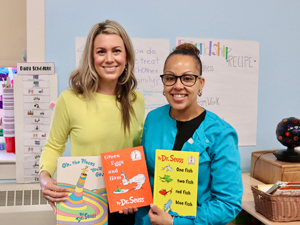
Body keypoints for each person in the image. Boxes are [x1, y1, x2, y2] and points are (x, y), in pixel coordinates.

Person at [39, 20, 144, 224]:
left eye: (116, 51)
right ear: (91, 56)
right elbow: (53, 146)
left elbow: (135, 151)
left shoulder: (136, 100)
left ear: (126, 57)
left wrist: (135, 190)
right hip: (84, 205)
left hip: (124, 206)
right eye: (101, 51)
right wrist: (44, 178)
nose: (109, 59)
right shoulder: (69, 99)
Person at [135, 43, 243, 225]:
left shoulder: (221, 134)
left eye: (187, 78)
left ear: (201, 83)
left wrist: (174, 222)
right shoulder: (153, 119)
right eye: (170, 78)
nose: (178, 86)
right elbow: (144, 174)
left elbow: (228, 204)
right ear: (163, 83)